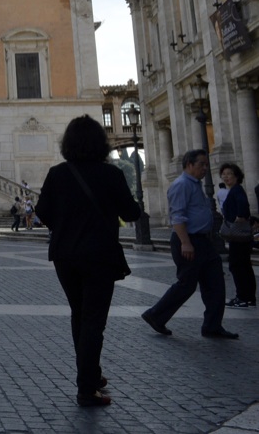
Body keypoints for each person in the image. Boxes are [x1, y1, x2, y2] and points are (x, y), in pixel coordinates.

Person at [35, 115, 141, 408]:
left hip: (65, 256)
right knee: (94, 321)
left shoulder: (57, 174)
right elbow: (131, 213)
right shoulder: (111, 174)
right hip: (99, 255)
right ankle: (86, 388)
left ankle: (91, 374)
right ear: (100, 143)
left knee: (79, 315)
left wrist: (66, 223)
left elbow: (42, 212)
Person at [141, 149, 238, 339]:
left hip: (202, 240)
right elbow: (177, 216)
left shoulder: (194, 185)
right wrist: (185, 242)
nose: (205, 168)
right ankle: (155, 315)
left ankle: (212, 325)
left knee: (215, 281)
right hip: (188, 240)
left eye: (206, 164)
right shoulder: (182, 185)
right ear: (189, 164)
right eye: (201, 163)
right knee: (186, 283)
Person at [220, 163, 255, 309]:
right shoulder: (235, 190)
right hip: (241, 237)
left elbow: (243, 210)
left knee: (237, 266)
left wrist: (238, 219)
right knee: (244, 266)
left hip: (238, 237)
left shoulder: (236, 191)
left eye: (230, 174)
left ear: (237, 176)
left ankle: (243, 297)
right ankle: (248, 297)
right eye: (224, 174)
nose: (226, 177)